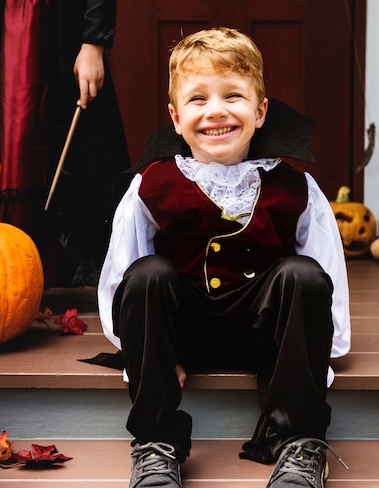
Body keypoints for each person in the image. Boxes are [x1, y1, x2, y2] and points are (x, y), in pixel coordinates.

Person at [98, 27, 350, 488]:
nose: (216, 111)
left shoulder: (295, 187)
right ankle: (156, 444)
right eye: (198, 100)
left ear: (260, 111)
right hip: (182, 335)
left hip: (267, 338)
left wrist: (309, 362)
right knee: (146, 273)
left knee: (303, 274)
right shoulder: (150, 185)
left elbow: (327, 278)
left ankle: (299, 441)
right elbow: (120, 280)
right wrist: (143, 353)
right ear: (175, 118)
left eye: (233, 95)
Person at [0, 0, 131, 287]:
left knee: (85, 152)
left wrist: (93, 42)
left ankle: (88, 278)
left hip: (64, 29)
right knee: (7, 155)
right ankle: (4, 273)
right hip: (4, 38)